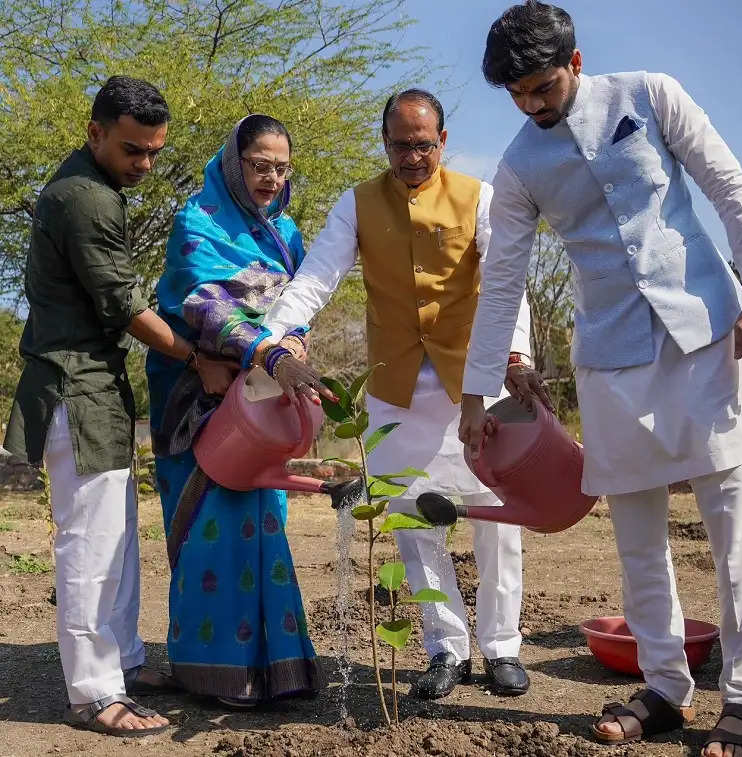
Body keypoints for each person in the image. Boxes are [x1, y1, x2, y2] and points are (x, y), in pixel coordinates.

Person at [458, 3, 742, 755]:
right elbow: (502, 280)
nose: (531, 105)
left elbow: (730, 185)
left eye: (541, 87)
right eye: (516, 94)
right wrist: (478, 394)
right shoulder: (516, 167)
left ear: (575, 63)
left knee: (731, 524)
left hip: (706, 334)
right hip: (609, 356)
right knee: (637, 534)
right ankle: (666, 686)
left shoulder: (651, 93)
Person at [263, 89, 548, 700]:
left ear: (442, 141)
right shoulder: (359, 203)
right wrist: (283, 334)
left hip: (476, 383)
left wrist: (516, 354)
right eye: (400, 146)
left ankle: (501, 648)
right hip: (395, 387)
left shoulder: (480, 196)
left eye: (424, 145)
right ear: (385, 143)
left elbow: (507, 283)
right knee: (413, 519)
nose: (412, 157)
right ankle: (446, 649)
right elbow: (317, 275)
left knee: (495, 519)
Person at [3, 76, 236, 737]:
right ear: (94, 132)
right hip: (73, 385)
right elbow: (123, 304)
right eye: (134, 150)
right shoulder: (84, 200)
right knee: (92, 540)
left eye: (156, 152)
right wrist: (200, 356)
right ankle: (93, 692)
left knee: (120, 532)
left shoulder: (95, 187)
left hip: (95, 384)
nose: (146, 165)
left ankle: (124, 660)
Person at [145, 114, 322, 708]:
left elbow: (298, 304)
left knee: (264, 521)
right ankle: (205, 670)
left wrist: (292, 344)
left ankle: (275, 670)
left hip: (261, 399)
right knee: (208, 532)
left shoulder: (289, 233)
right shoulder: (197, 221)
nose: (271, 177)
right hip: (198, 398)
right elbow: (201, 303)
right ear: (233, 163)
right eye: (259, 165)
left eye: (280, 166)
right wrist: (266, 351)